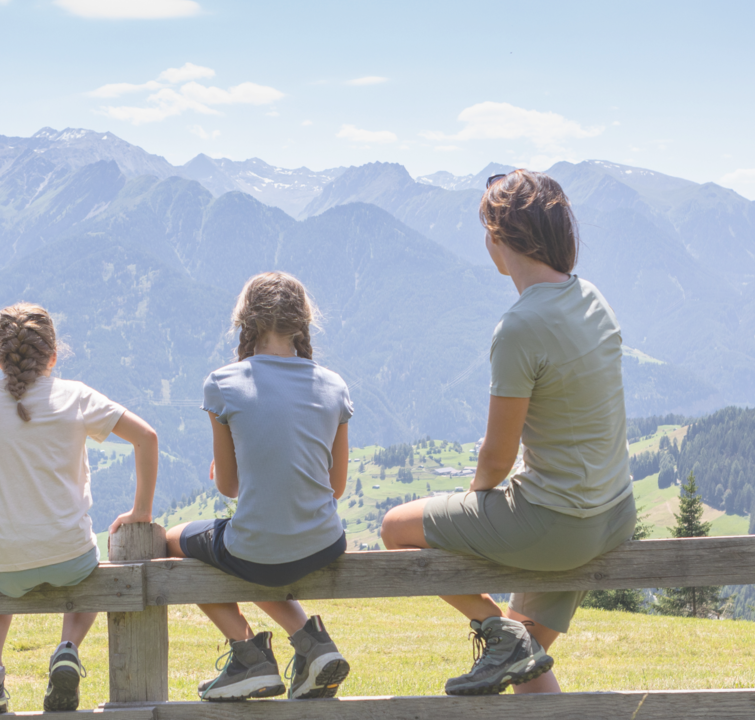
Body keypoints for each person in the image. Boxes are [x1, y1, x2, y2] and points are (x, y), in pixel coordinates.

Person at [378, 170, 636, 696]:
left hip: (557, 524)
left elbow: (497, 459)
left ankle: (497, 630)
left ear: (499, 238)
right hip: (613, 511)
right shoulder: (591, 297)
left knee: (392, 527)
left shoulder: (519, 326)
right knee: (528, 661)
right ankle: (510, 641)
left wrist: (477, 504)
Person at [0, 303, 160, 714]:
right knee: (93, 574)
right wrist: (142, 511)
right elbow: (146, 437)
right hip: (72, 555)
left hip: (4, 566)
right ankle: (67, 649)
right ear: (54, 355)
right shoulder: (75, 396)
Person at [165, 272, 354, 702]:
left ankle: (248, 654)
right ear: (303, 322)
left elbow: (229, 487)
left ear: (245, 321)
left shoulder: (224, 383)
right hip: (325, 543)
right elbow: (336, 486)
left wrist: (227, 469)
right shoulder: (334, 386)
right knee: (262, 553)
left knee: (171, 541)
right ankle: (312, 644)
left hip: (256, 551)